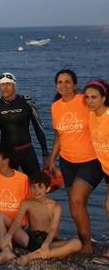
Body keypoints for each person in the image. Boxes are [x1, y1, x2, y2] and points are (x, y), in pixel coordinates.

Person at [45, 70, 101, 254]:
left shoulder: (85, 101)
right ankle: (84, 237)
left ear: (75, 85)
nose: (63, 85)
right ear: (56, 86)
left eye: (67, 82)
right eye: (60, 82)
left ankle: (86, 245)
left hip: (91, 160)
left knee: (77, 199)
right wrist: (52, 158)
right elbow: (59, 135)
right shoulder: (55, 107)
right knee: (75, 202)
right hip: (67, 161)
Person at [0, 171, 82, 265]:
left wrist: (46, 243)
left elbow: (53, 229)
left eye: (40, 187)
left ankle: (32, 257)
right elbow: (17, 222)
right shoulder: (27, 203)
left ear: (47, 189)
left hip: (49, 241)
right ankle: (7, 251)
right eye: (33, 187)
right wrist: (9, 235)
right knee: (0, 216)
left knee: (77, 243)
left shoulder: (55, 207)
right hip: (29, 239)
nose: (36, 191)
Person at [0, 72, 49, 175]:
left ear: (15, 85)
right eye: (2, 85)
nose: (5, 87)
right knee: (8, 187)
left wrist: (45, 153)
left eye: (8, 84)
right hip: (7, 153)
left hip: (27, 151)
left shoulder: (27, 103)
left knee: (36, 184)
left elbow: (38, 128)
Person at [85, 79, 109, 264]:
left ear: (104, 98)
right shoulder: (91, 115)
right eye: (87, 97)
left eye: (94, 97)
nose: (90, 101)